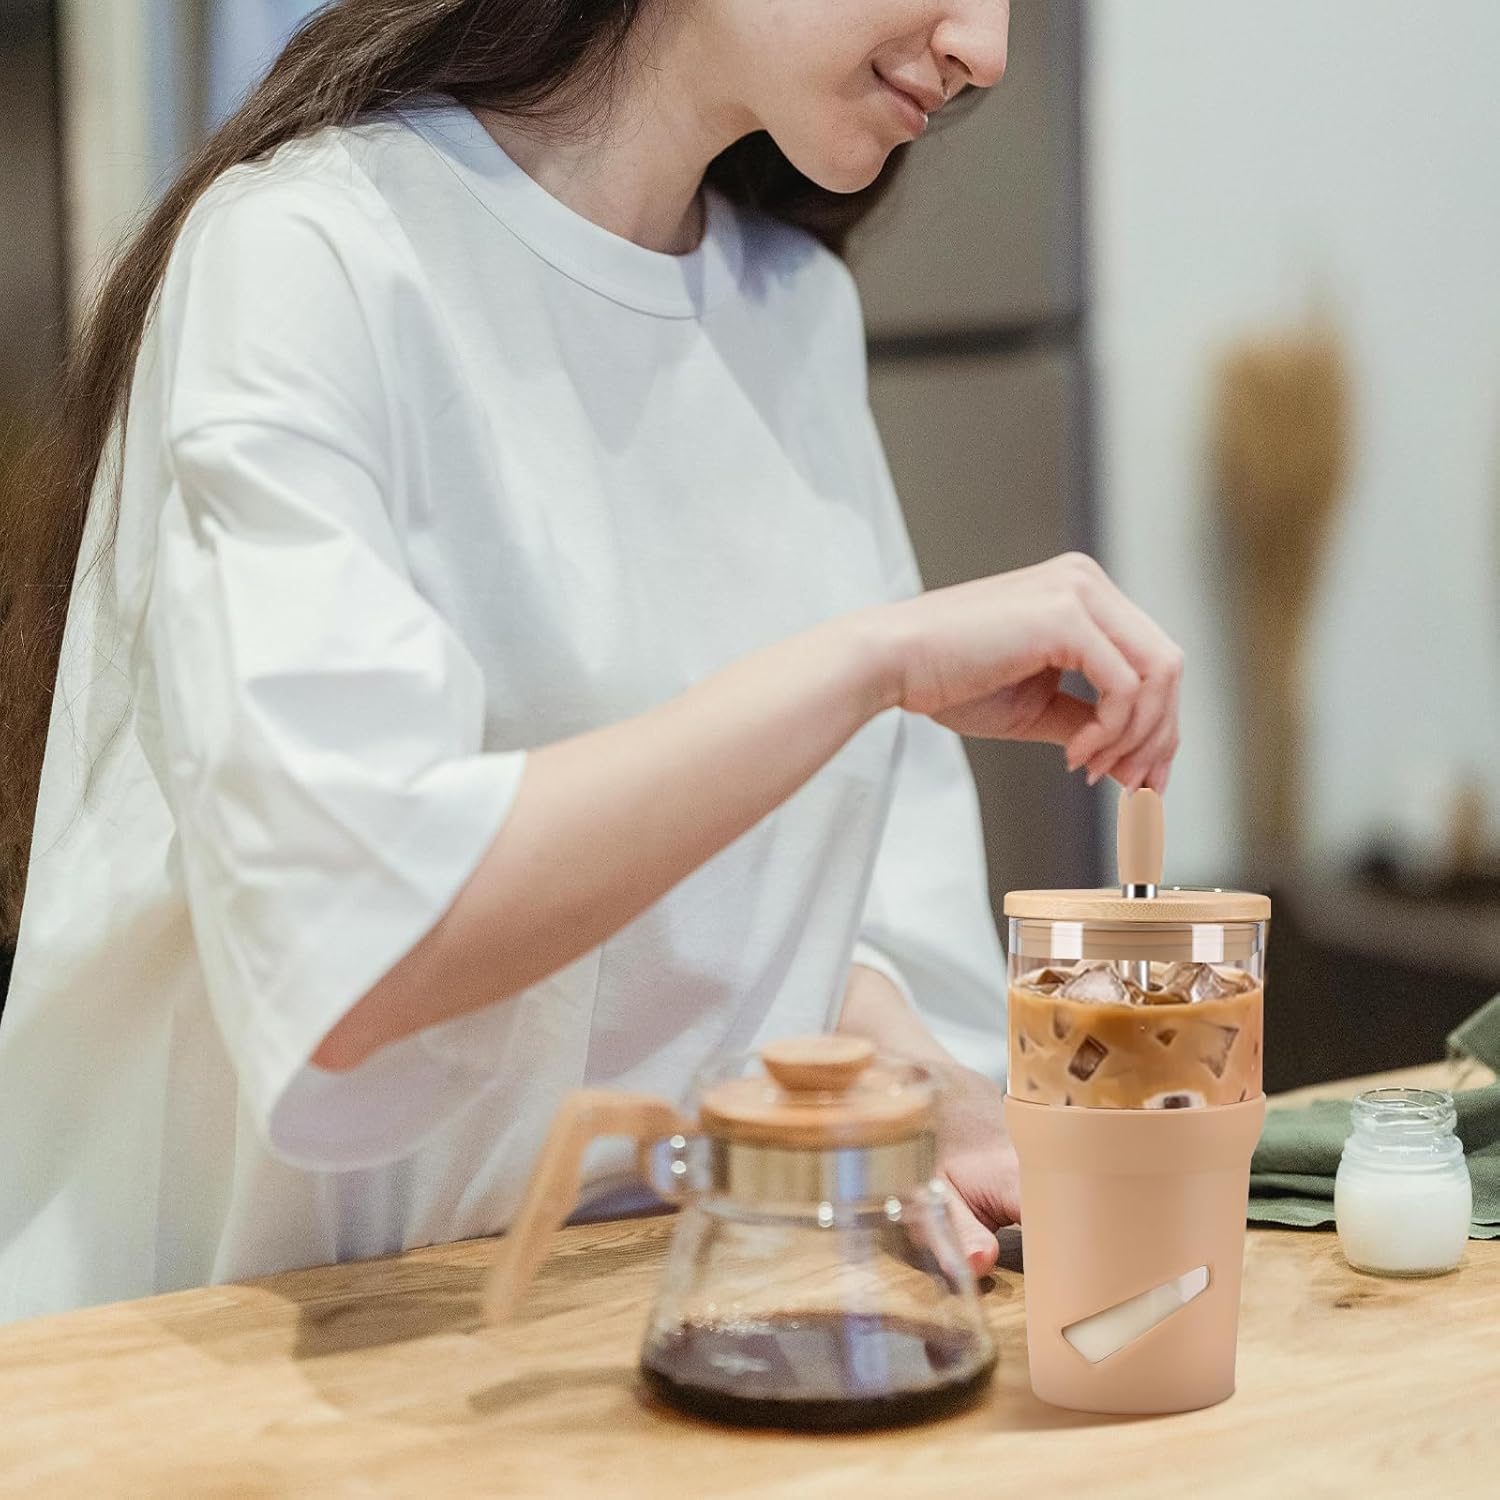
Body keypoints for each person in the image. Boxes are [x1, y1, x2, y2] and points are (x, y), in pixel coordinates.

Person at [0, 0, 1182, 1322]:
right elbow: (354, 942)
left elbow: (804, 915)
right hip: (236, 1356)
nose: (988, 51)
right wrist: (866, 666)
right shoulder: (313, 252)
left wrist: (919, 1083)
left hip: (620, 1326)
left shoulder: (792, 313)